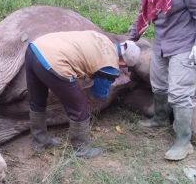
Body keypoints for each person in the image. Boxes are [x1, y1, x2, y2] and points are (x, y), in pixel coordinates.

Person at [126, 0, 196, 160]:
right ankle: (160, 118)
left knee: (179, 92)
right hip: (162, 44)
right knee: (159, 84)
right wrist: (129, 40)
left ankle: (184, 141)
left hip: (185, 45)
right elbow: (143, 16)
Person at [25, 30, 140, 158]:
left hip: (34, 49)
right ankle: (81, 149)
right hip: (54, 62)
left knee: (37, 100)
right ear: (123, 63)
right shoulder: (110, 66)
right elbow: (98, 95)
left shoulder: (104, 39)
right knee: (79, 108)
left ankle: (40, 142)